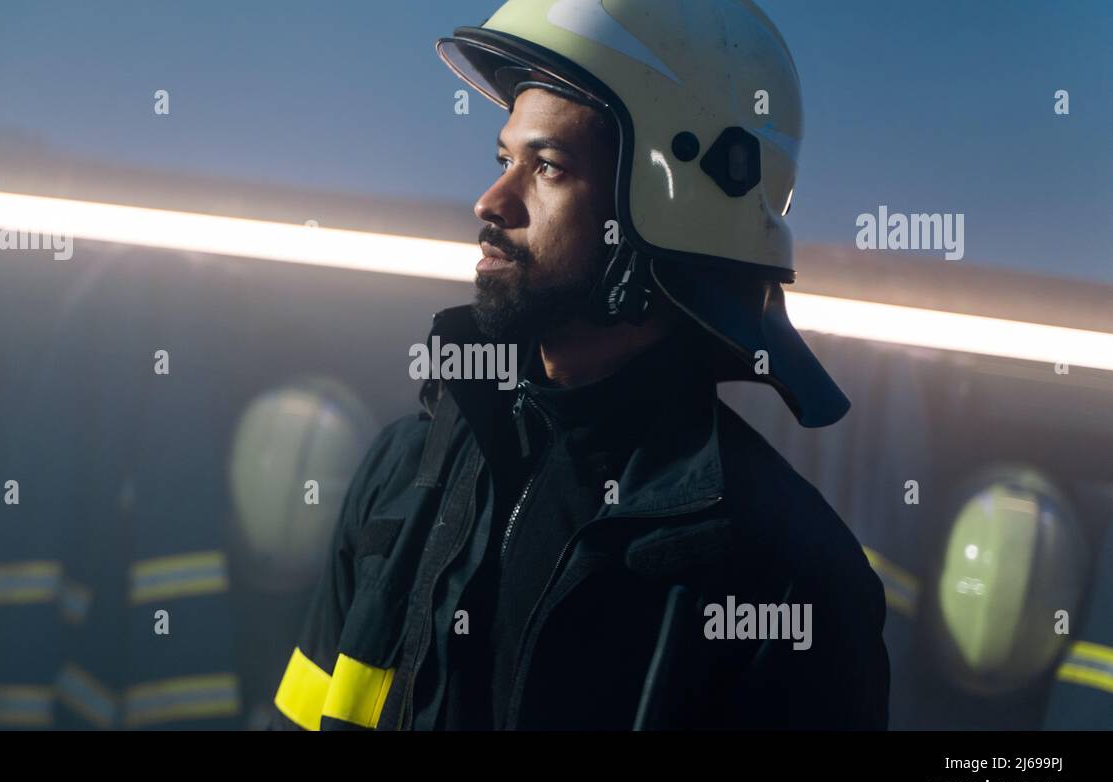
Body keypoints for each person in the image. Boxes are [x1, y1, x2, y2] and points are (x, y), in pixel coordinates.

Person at [270, 0, 889, 730]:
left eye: (549, 167)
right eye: (505, 160)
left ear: (670, 205)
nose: (492, 200)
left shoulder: (789, 581)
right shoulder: (403, 473)